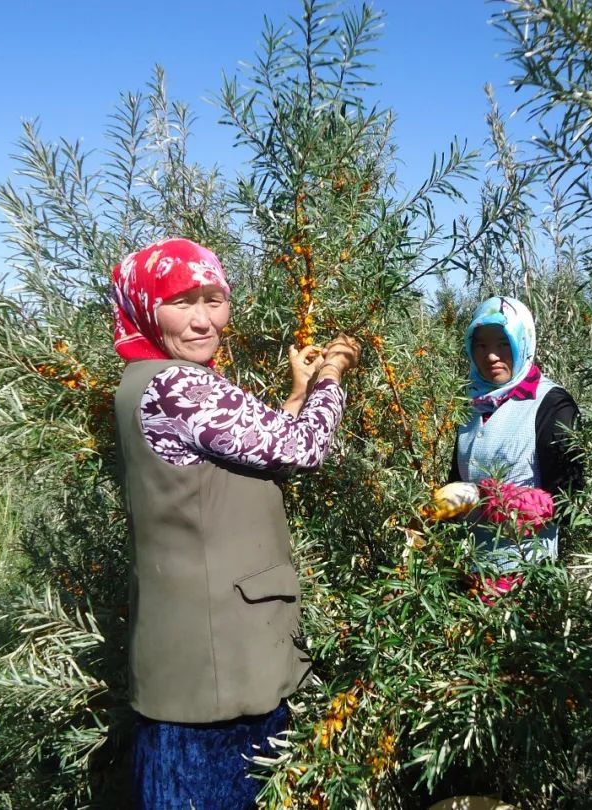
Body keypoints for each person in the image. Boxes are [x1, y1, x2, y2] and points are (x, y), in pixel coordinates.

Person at [111, 237, 360, 809]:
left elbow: (249, 451)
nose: (203, 321)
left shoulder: (144, 380)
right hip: (218, 671)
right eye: (181, 302)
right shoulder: (178, 386)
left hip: (196, 660)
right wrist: (331, 376)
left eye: (214, 299)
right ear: (147, 306)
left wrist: (295, 395)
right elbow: (302, 449)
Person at [447, 295, 583, 570]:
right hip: (468, 577)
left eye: (503, 343)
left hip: (526, 580)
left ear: (522, 341)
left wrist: (487, 499)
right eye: (481, 345)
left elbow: (568, 503)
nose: (491, 356)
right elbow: (456, 480)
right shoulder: (471, 404)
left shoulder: (552, 404)